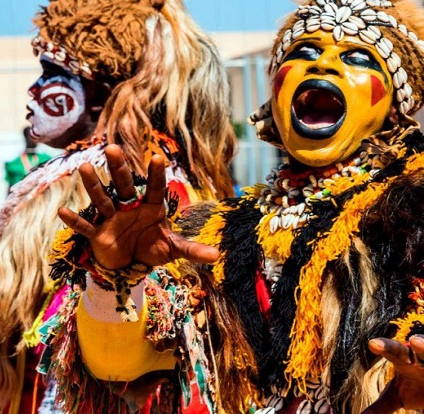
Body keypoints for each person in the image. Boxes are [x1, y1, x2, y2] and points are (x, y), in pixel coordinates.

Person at [47, 0, 424, 412]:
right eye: (304, 53)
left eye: (356, 58)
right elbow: (120, 368)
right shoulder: (214, 232)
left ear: (393, 106)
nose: (322, 67)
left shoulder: (412, 218)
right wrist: (116, 279)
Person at [0, 0, 237, 412]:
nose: (33, 90)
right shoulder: (65, 176)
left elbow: (160, 346)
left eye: (51, 74)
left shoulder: (152, 189)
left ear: (100, 92)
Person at [4, 126, 51, 191]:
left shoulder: (46, 159)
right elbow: (10, 188)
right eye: (30, 137)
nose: (33, 140)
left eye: (35, 137)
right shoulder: (14, 164)